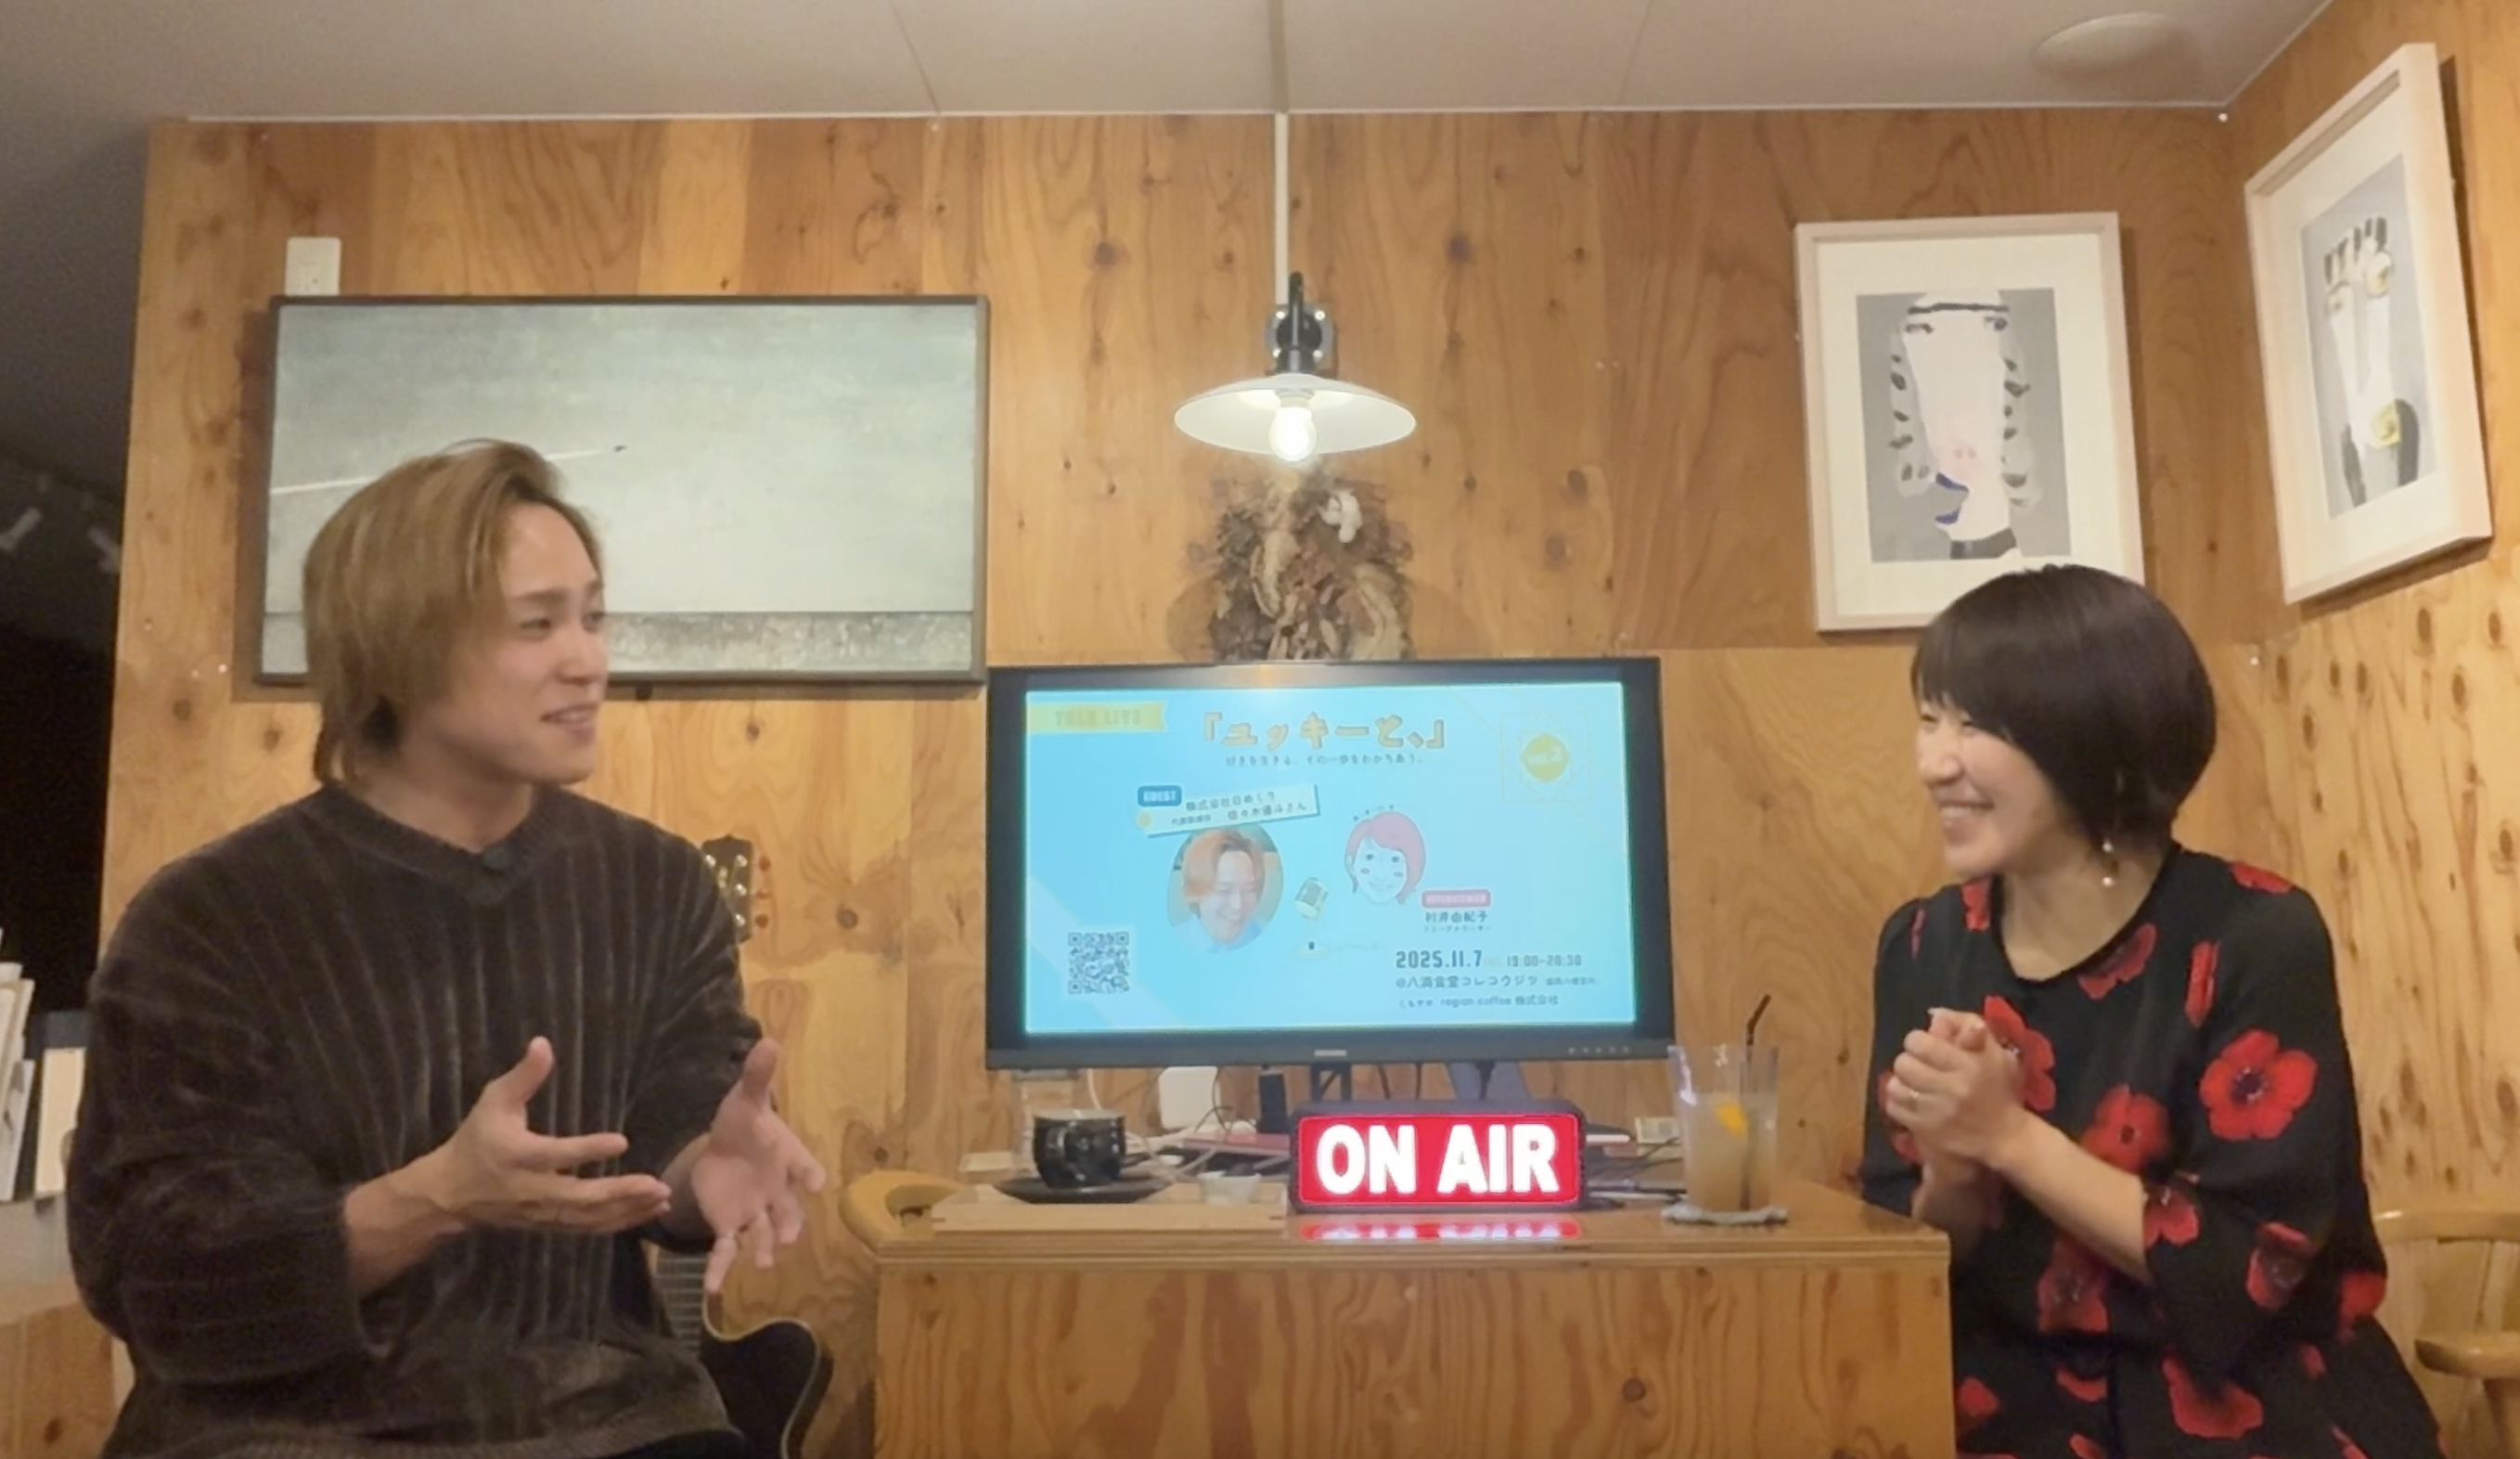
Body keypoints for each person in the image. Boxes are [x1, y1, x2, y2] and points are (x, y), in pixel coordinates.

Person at [66, 441, 827, 1459]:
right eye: (537, 624)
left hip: (610, 1423)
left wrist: (704, 1173)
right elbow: (155, 1278)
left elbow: (672, 1120)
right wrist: (431, 1200)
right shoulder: (211, 919)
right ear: (402, 647)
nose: (588, 660)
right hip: (283, 1432)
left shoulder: (658, 885)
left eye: (593, 617)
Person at [1858, 564, 2442, 1459]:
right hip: (2003, 1404)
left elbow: (2247, 1270)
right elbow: (1909, 1263)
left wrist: (2007, 1136)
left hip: (2241, 1400)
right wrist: (1953, 1170)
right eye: (1930, 719)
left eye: (1975, 725)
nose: (1934, 762)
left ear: (2095, 738)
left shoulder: (2254, 933)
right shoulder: (1921, 943)